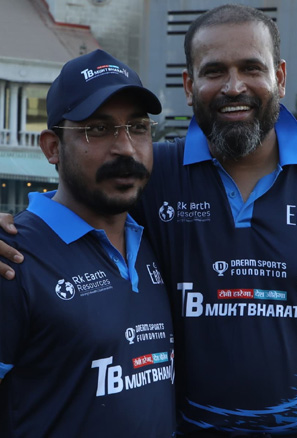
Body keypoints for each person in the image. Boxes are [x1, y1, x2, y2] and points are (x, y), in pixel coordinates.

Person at [0, 4, 297, 438]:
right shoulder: (152, 172)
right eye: (215, 71)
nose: (234, 86)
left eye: (251, 68)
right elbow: (77, 198)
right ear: (189, 85)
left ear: (280, 76)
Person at [0, 49, 176, 438]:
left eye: (138, 127)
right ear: (51, 148)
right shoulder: (12, 259)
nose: (126, 148)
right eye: (98, 129)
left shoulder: (156, 242)